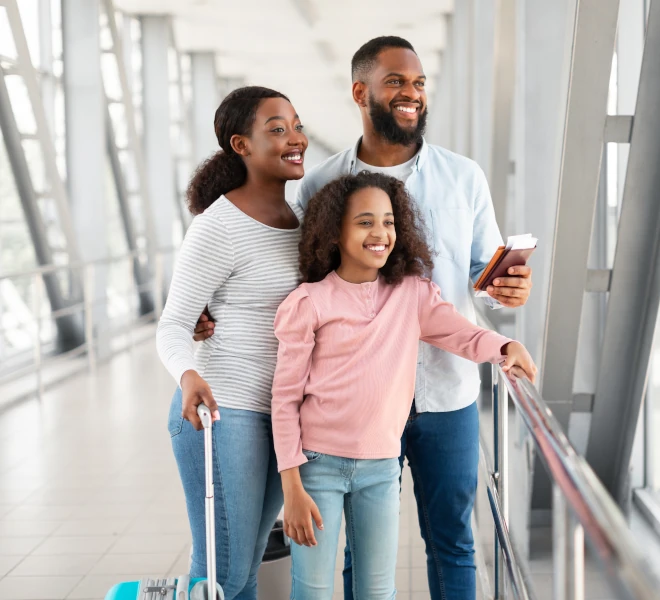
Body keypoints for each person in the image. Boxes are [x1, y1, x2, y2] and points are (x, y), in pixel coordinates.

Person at [191, 36, 534, 600]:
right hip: (348, 409)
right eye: (397, 82)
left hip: (445, 394)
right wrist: (210, 303)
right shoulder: (321, 184)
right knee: (354, 555)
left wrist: (506, 298)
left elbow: (482, 284)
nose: (412, 94)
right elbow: (284, 266)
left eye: (419, 83)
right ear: (361, 92)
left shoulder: (465, 177)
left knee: (453, 539)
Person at [270, 171, 537, 600]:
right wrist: (291, 487)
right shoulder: (309, 302)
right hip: (317, 466)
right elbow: (284, 399)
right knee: (313, 589)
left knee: (378, 590)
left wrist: (506, 346)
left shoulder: (412, 294)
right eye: (364, 222)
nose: (380, 233)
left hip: (379, 467)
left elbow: (462, 334)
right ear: (334, 231)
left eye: (389, 221)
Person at [157, 86, 308, 600]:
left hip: (281, 413)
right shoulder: (218, 226)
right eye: (277, 129)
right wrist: (188, 374)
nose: (295, 139)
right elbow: (173, 323)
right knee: (223, 573)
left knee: (243, 570)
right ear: (241, 145)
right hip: (224, 410)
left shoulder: (303, 223)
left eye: (296, 125)